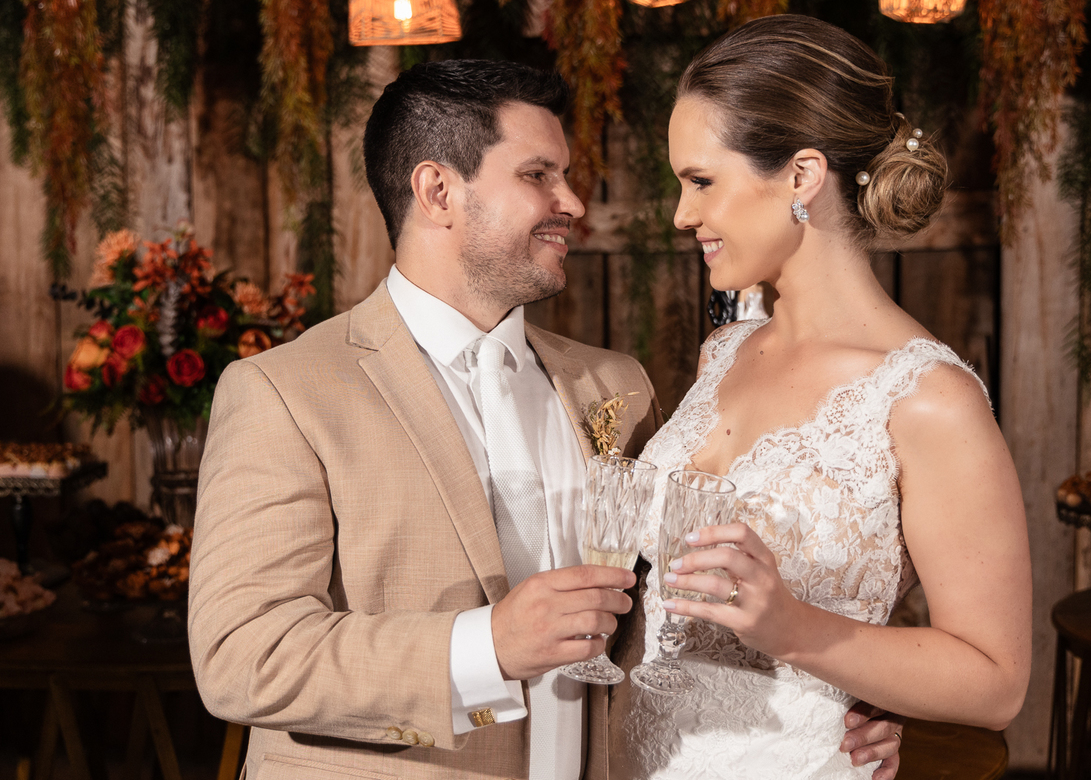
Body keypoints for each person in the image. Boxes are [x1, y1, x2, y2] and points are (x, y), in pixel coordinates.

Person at [188, 58, 905, 780]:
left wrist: (840, 697)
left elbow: (672, 606)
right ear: (438, 191)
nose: (573, 202)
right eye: (538, 175)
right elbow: (242, 657)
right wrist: (488, 647)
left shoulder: (615, 384)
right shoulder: (284, 393)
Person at [612, 15, 1032, 780]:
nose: (681, 214)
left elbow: (996, 682)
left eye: (701, 181)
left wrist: (795, 630)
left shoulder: (928, 399)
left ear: (802, 176)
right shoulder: (723, 352)